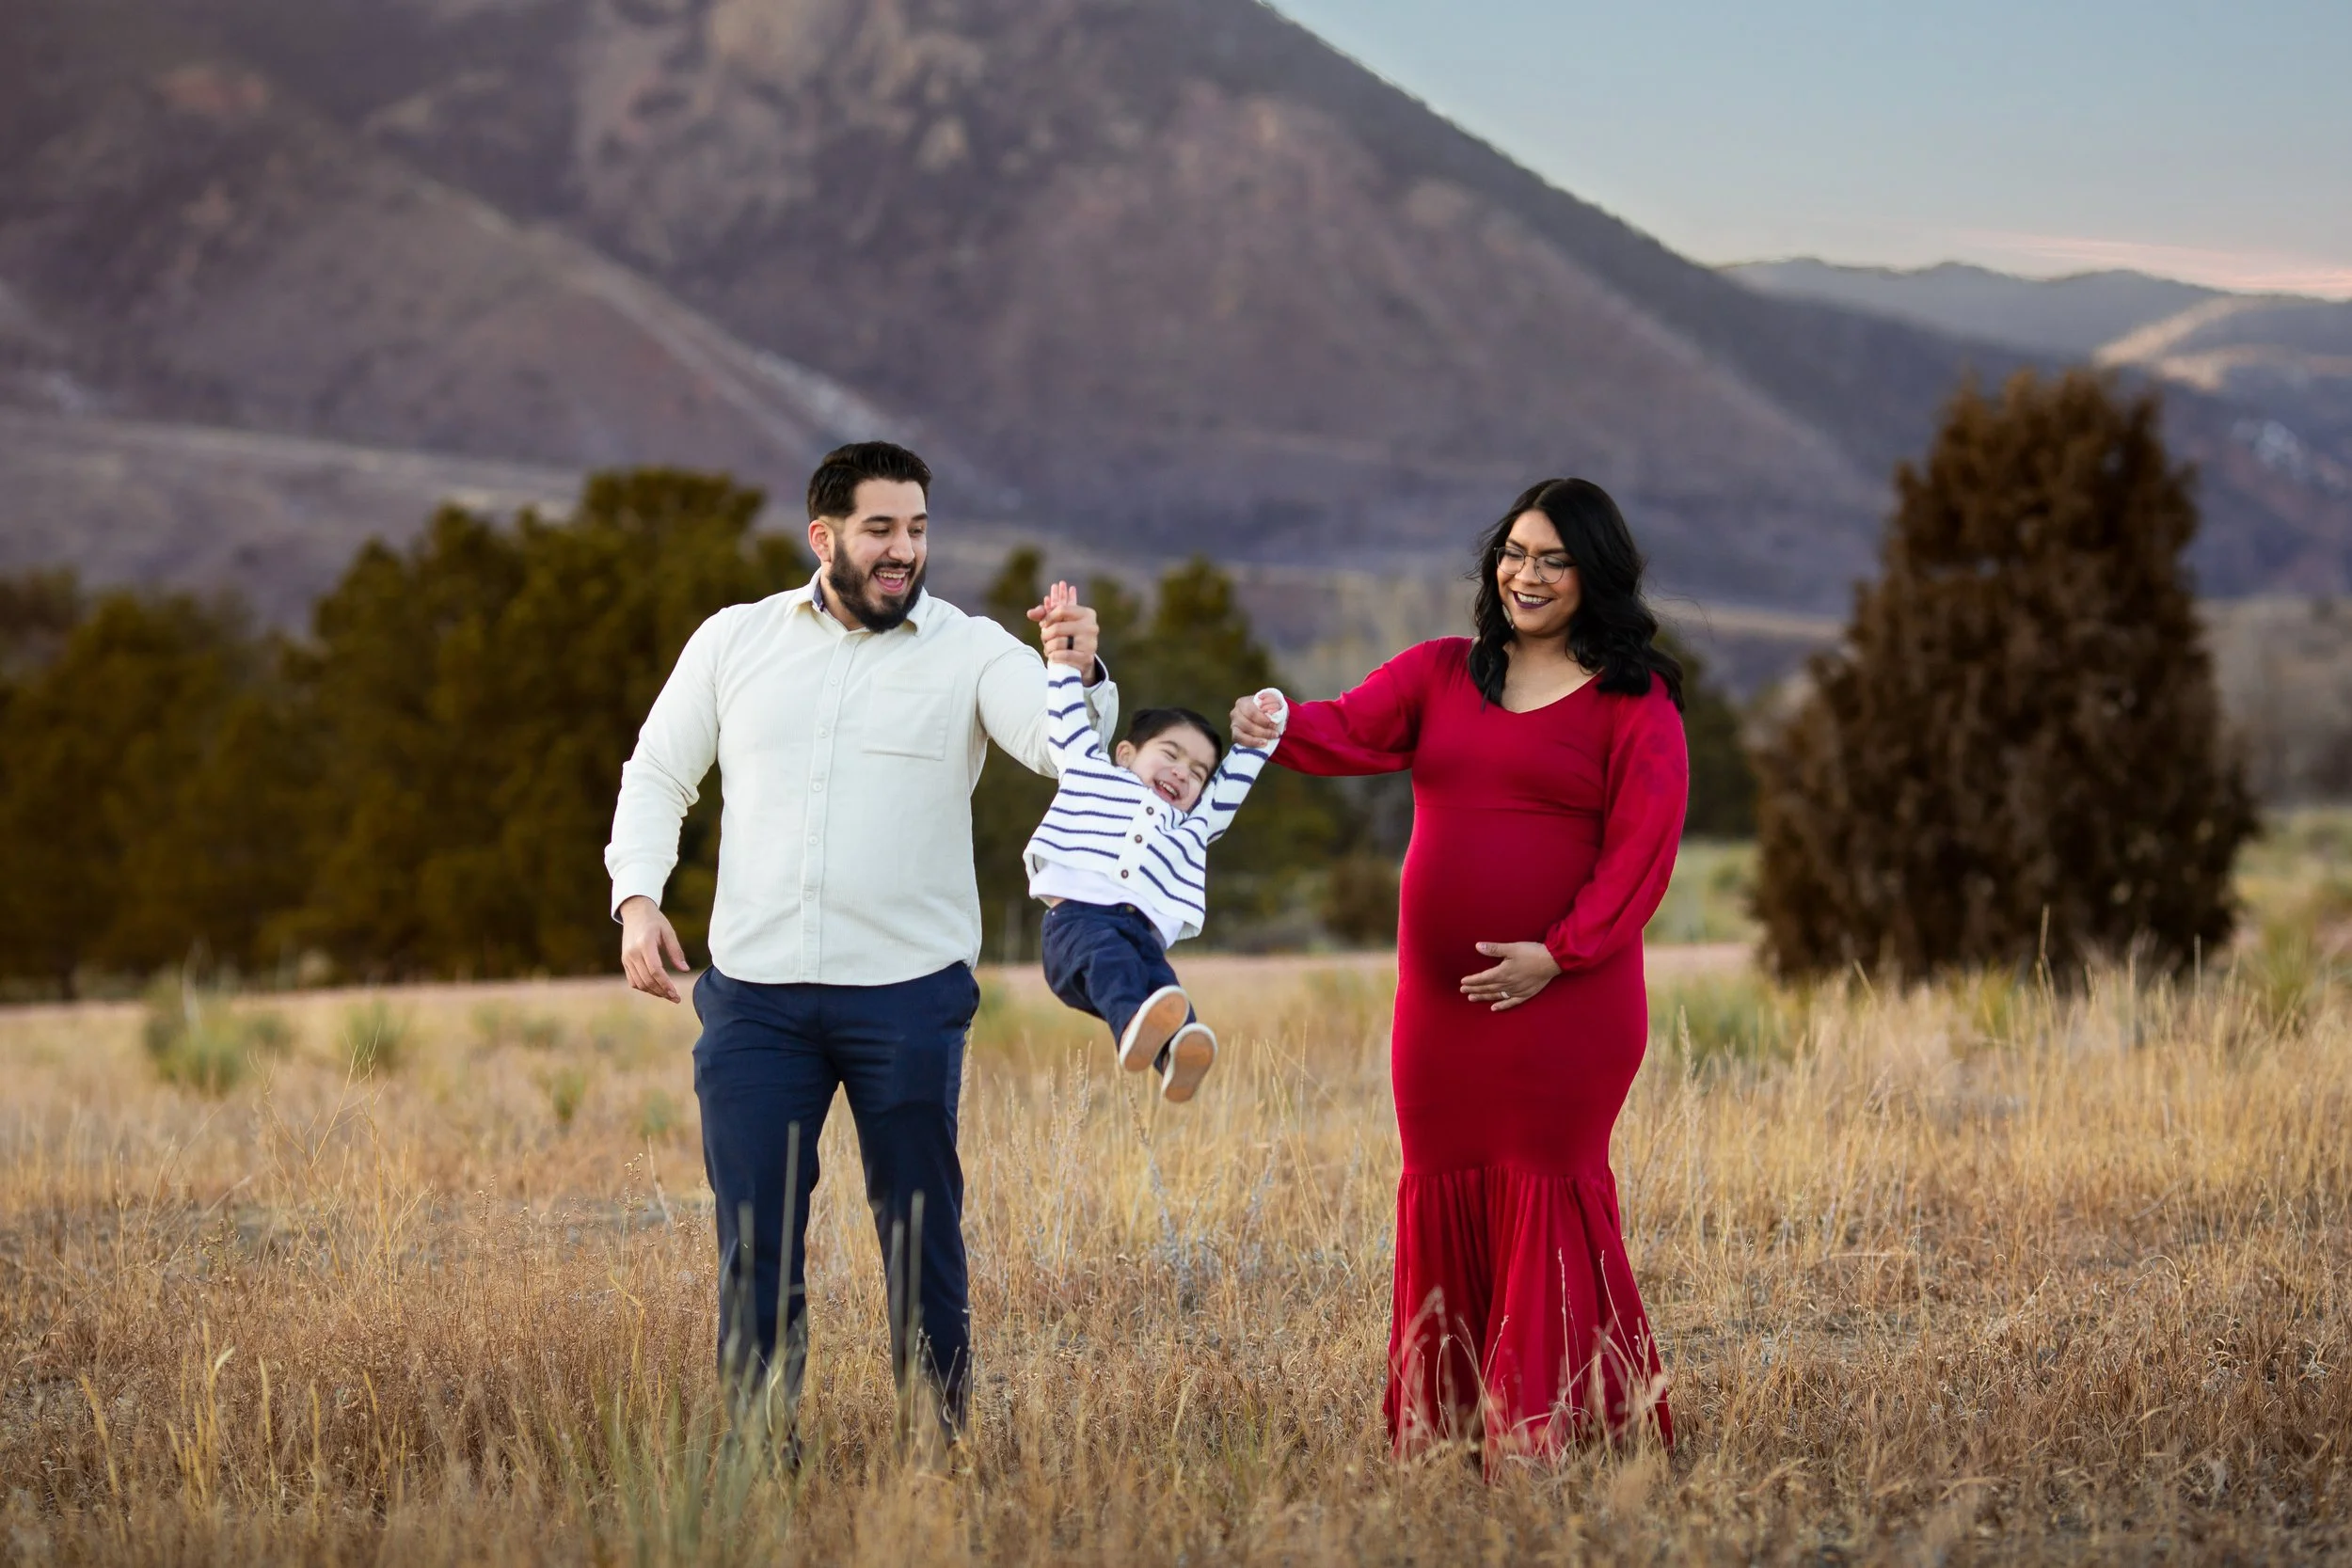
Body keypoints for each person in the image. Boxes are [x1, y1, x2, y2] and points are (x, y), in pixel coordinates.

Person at [604, 441, 1117, 1443]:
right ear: (824, 535)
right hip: (753, 1002)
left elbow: (1068, 749)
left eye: (918, 529)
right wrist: (637, 897)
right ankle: (761, 1448)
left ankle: (937, 1440)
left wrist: (1077, 668)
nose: (903, 550)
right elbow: (659, 770)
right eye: (881, 529)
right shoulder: (733, 640)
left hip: (907, 999)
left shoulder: (968, 649)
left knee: (919, 1231)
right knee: (756, 1236)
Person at [1232, 477, 1685, 1462]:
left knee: (1549, 1183)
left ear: (1592, 574)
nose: (1525, 574)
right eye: (1514, 552)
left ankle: (1550, 1430)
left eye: (1552, 559)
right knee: (1441, 1182)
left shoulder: (1633, 701)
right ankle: (1443, 1434)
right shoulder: (1443, 673)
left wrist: (1554, 955)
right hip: (1438, 1019)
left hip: (1571, 1004)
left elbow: (1641, 855)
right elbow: (1345, 728)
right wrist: (1270, 722)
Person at [1021, 581, 1288, 1101]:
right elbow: (1066, 716)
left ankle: (1176, 1059)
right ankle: (1131, 1030)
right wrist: (1061, 660)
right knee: (1114, 965)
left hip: (1140, 932)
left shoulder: (1193, 823)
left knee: (1162, 985)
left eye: (1197, 771)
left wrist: (1266, 720)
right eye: (1169, 754)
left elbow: (1238, 772)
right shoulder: (1090, 769)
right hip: (1076, 926)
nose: (1181, 773)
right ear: (1125, 753)